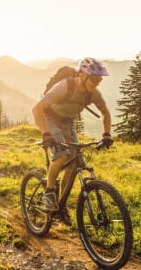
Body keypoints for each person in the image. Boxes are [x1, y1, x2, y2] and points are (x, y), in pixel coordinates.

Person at [32, 58, 113, 222]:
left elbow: (105, 112)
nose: (97, 82)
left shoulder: (94, 93)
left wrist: (106, 134)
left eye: (99, 80)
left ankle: (61, 205)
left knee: (74, 163)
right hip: (50, 119)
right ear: (82, 75)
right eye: (94, 78)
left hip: (68, 123)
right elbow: (37, 109)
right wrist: (46, 134)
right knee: (62, 155)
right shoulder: (65, 86)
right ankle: (48, 191)